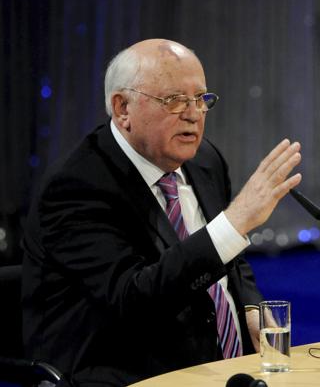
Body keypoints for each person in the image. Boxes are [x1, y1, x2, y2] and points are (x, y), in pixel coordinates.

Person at [21, 39, 302, 386]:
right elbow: (133, 298)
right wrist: (237, 220)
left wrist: (250, 307)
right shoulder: (77, 187)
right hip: (126, 371)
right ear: (123, 108)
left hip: (220, 369)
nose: (193, 113)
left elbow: (229, 259)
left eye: (201, 99)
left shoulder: (204, 161)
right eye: (175, 100)